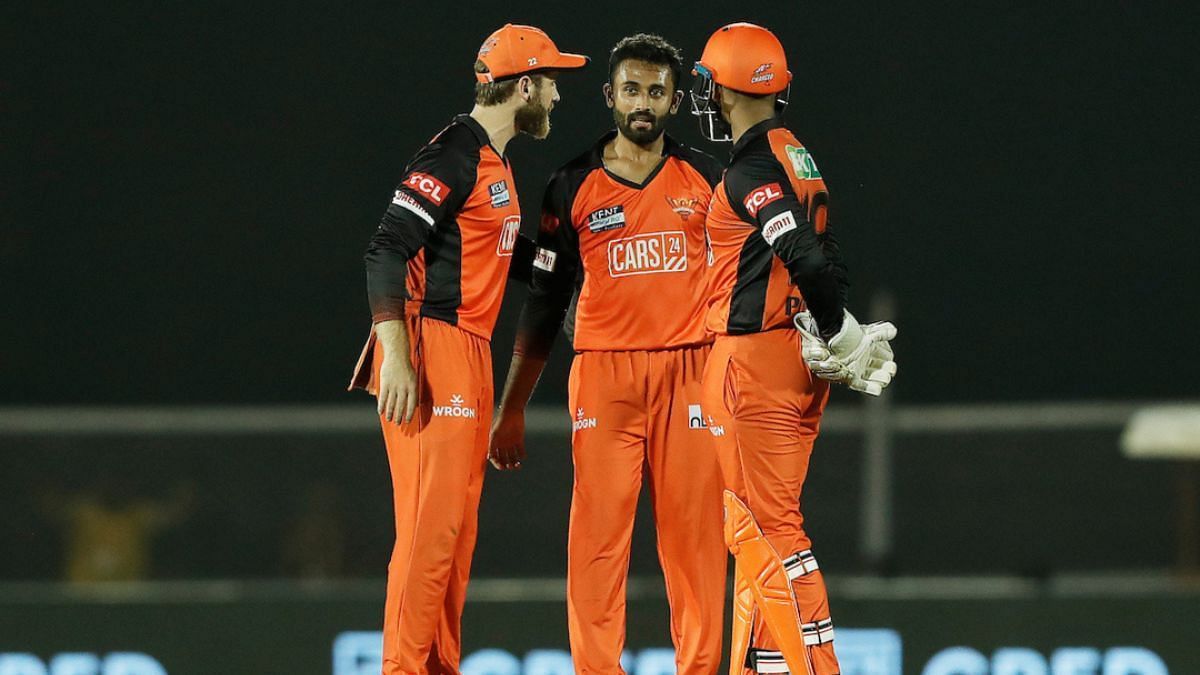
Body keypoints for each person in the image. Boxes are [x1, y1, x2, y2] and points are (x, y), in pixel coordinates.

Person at [347, 24, 588, 675]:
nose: (559, 99)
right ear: (526, 85)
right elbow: (386, 247)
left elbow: (504, 252)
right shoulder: (454, 151)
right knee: (430, 534)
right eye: (553, 84)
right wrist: (396, 353)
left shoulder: (495, 161)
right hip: (432, 348)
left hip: (470, 354)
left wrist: (571, 272)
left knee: (454, 537)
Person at [490, 33, 727, 675]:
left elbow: (743, 279)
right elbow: (543, 303)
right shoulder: (571, 185)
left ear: (675, 100)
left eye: (656, 91)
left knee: (695, 543)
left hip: (690, 373)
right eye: (631, 89)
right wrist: (511, 407)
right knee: (596, 544)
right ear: (609, 96)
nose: (642, 103)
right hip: (604, 378)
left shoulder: (707, 177)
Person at [688, 22, 897, 675]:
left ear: (722, 89)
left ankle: (813, 667)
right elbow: (821, 253)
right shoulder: (795, 150)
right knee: (766, 527)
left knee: (764, 532)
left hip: (754, 363)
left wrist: (838, 329)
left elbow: (798, 248)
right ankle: (762, 667)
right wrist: (834, 325)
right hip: (794, 360)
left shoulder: (753, 165)